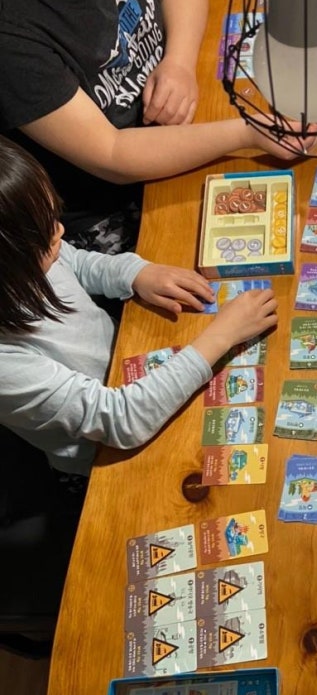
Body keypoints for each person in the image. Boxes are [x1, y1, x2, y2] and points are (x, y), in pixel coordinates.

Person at [0, 0, 305, 255]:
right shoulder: (11, 34)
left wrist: (178, 62)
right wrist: (248, 133)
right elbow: (113, 153)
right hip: (107, 203)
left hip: (179, 125)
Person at [0, 136, 279, 477]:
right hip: (104, 457)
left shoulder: (33, 256)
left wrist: (135, 272)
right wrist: (221, 336)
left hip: (132, 363)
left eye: (53, 218)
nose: (60, 231)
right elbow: (121, 419)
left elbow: (75, 262)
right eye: (43, 236)